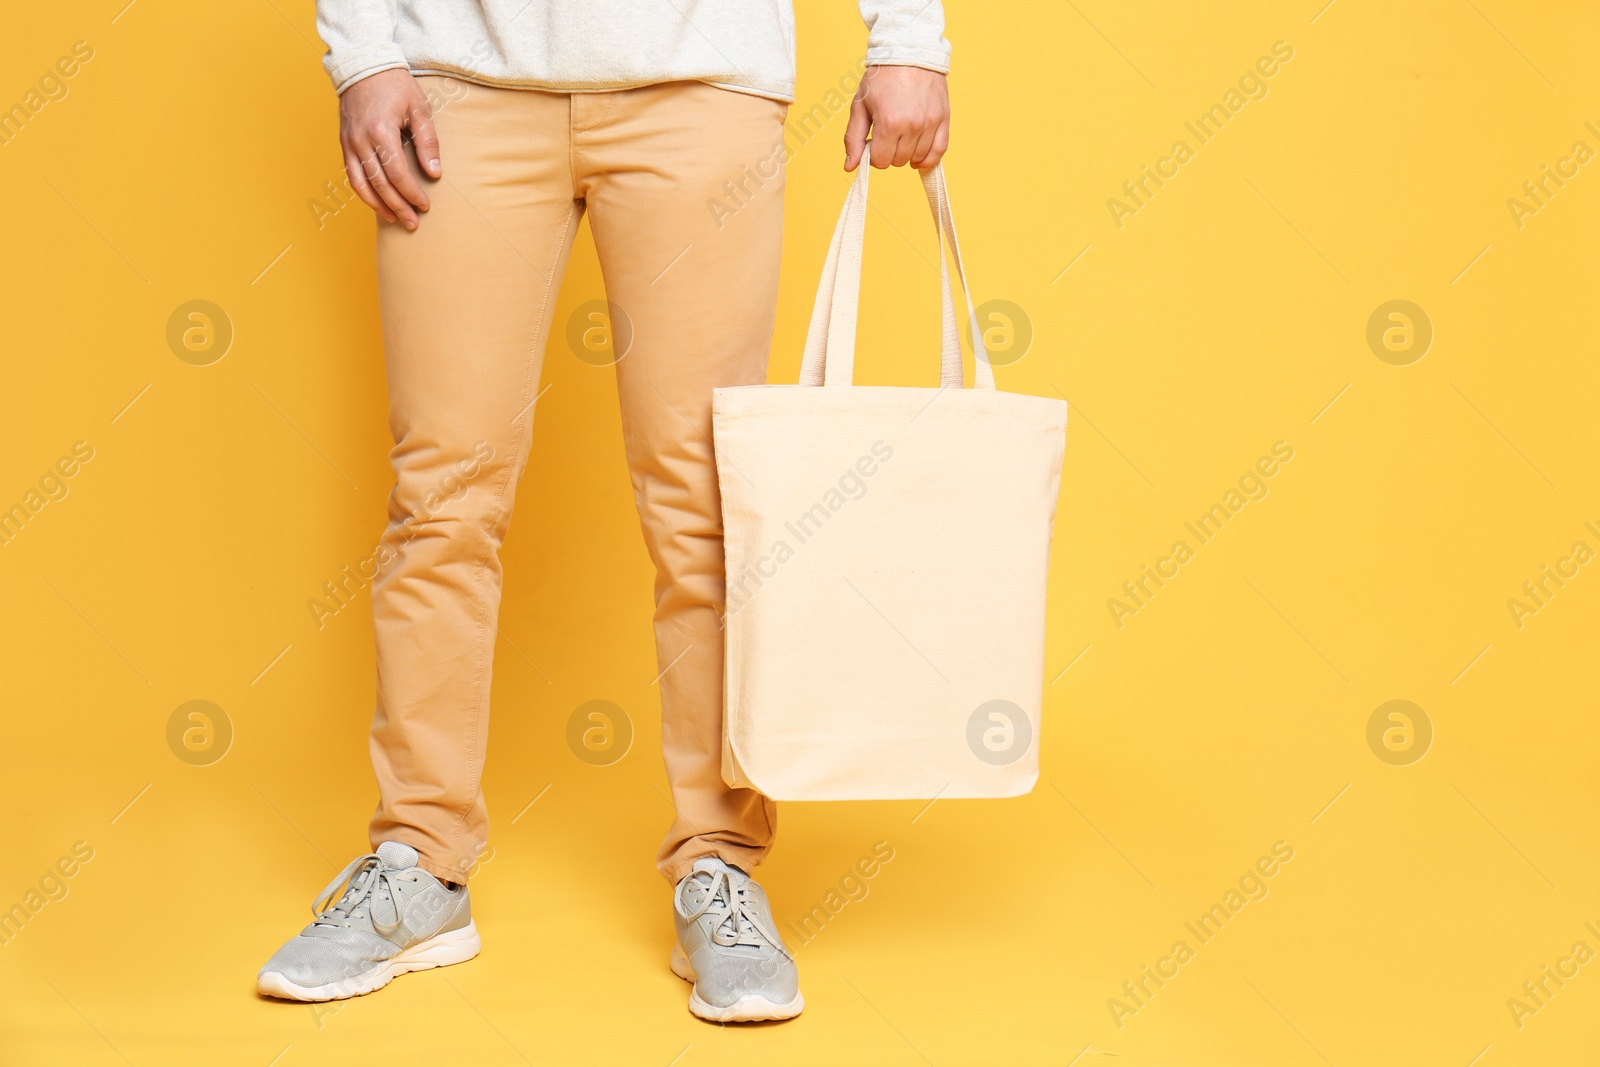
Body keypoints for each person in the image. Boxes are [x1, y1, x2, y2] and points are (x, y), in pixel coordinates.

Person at [256, 0, 952, 1023]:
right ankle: (420, 860)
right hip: (461, 83)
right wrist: (362, 53)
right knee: (441, 495)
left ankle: (720, 863)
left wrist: (906, 41)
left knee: (704, 501)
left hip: (700, 85)